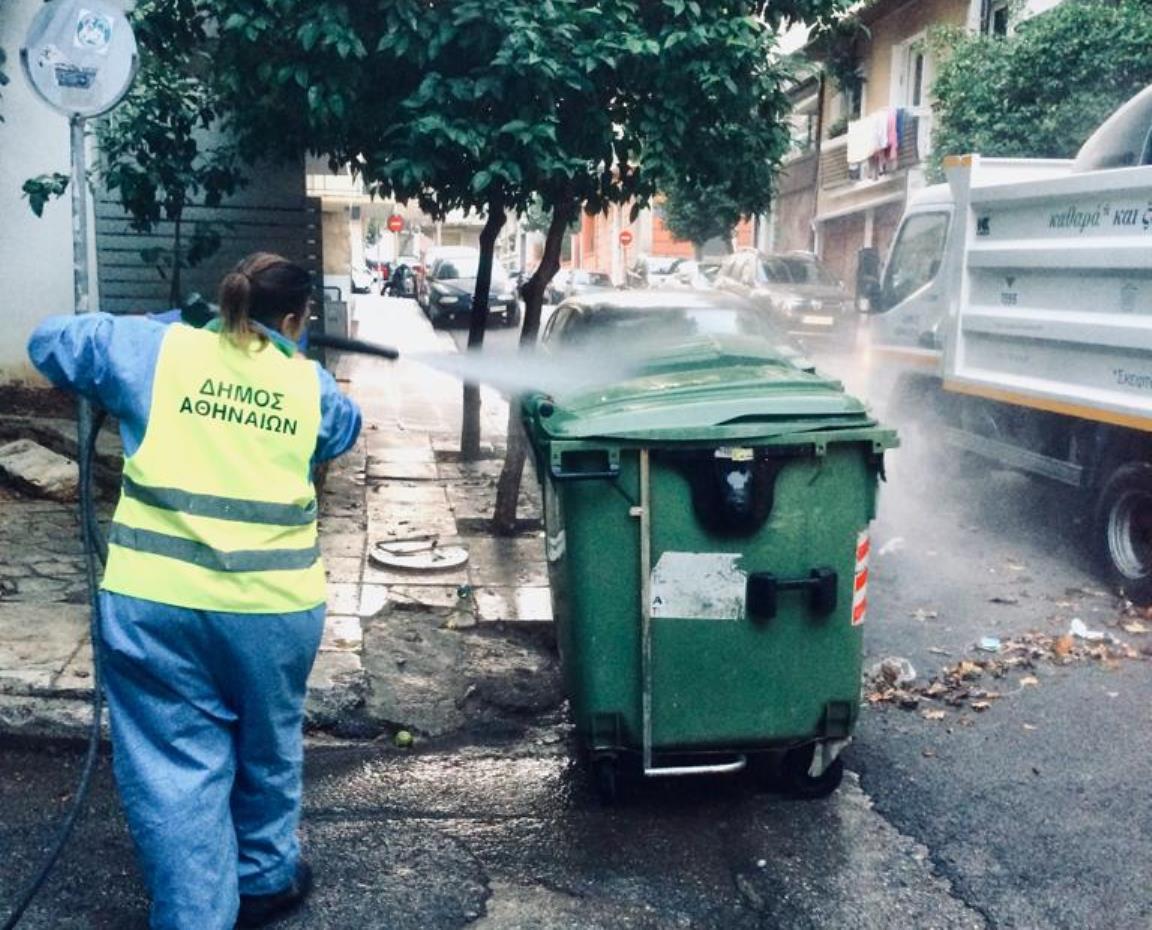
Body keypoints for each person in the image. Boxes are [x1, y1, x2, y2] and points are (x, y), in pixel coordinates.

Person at [27, 253, 362, 929]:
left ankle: (197, 916)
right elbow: (344, 431)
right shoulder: (310, 385)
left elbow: (49, 342)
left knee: (179, 769)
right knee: (268, 745)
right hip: (274, 611)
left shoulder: (154, 349)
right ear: (295, 319)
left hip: (158, 605)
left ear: (225, 299)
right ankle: (264, 876)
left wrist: (170, 321)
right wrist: (286, 364)